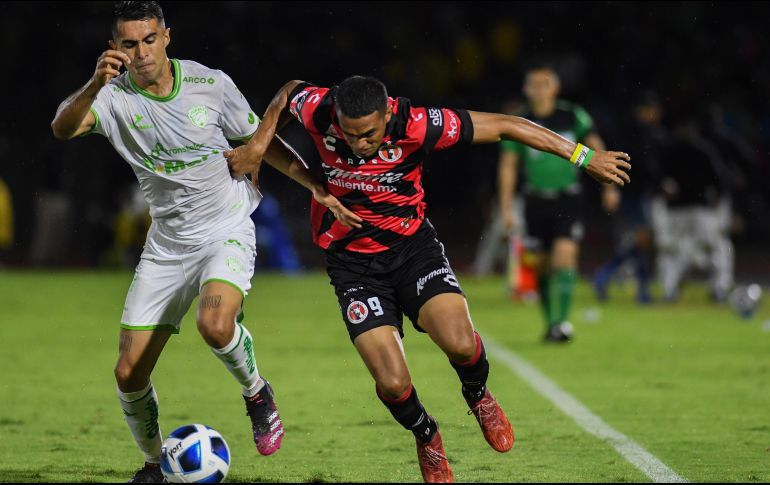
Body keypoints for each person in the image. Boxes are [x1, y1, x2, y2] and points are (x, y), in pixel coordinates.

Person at [225, 75, 631, 482]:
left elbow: (509, 125)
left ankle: (477, 395)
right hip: (353, 265)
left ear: (386, 115)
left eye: (367, 135)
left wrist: (583, 156)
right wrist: (259, 144)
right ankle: (427, 435)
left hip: (413, 251)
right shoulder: (321, 108)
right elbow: (289, 92)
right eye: (349, 134)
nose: (357, 145)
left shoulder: (419, 123)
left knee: (459, 342)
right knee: (393, 383)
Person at [50, 2, 361, 482]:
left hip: (225, 228)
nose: (141, 52)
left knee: (215, 325)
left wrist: (315, 186)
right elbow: (62, 128)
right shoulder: (111, 100)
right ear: (115, 49)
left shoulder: (209, 83)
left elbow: (261, 138)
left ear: (166, 37)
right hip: (167, 246)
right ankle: (155, 465)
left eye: (149, 39)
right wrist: (95, 83)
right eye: (129, 44)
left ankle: (257, 392)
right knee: (128, 374)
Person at [497, 65, 619, 342]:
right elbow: (508, 164)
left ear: (555, 88)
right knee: (540, 264)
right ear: (526, 89)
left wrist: (608, 183)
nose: (539, 90)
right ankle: (550, 321)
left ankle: (561, 324)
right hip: (535, 200)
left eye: (545, 84)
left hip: (568, 198)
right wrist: (505, 206)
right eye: (533, 84)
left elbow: (594, 144)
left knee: (565, 256)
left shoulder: (571, 115)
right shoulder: (520, 121)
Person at [592, 91, 666, 304]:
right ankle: (606, 275)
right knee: (640, 241)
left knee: (639, 242)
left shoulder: (633, 130)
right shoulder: (637, 133)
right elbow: (638, 165)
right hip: (631, 193)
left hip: (634, 192)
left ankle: (638, 288)